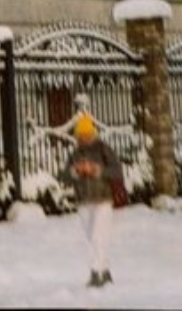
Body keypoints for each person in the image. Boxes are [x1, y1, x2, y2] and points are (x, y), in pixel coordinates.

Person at [61, 104, 128, 289]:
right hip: (83, 200)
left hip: (103, 199)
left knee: (98, 235)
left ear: (92, 133)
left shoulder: (103, 149)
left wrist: (96, 170)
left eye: (86, 135)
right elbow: (64, 175)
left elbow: (117, 171)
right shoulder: (75, 153)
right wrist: (76, 171)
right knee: (93, 237)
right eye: (80, 135)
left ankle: (95, 272)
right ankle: (105, 270)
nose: (83, 138)